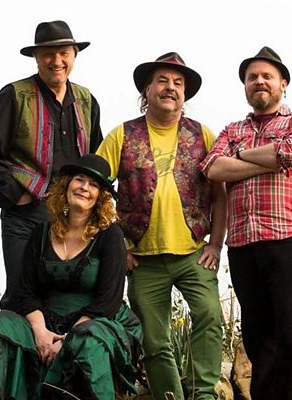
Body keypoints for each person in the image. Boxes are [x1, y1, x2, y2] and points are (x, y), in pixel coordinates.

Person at [0, 154, 142, 400]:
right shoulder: (41, 232)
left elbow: (108, 299)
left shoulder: (110, 235)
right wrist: (40, 332)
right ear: (67, 185)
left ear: (100, 197)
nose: (84, 188)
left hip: (93, 322)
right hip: (42, 321)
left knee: (88, 342)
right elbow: (26, 291)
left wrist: (68, 340)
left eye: (93, 185)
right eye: (79, 180)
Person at [96, 52, 227, 400]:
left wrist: (216, 244)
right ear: (147, 89)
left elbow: (219, 194)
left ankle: (203, 394)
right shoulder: (122, 135)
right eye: (163, 81)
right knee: (154, 340)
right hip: (142, 258)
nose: (171, 88)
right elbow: (97, 191)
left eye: (178, 83)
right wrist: (119, 248)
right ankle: (170, 396)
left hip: (194, 253)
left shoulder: (203, 135)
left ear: (185, 94)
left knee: (210, 316)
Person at [0, 20, 103, 311]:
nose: (56, 61)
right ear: (36, 57)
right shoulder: (14, 95)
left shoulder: (87, 100)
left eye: (64, 53)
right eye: (47, 54)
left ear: (74, 55)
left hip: (74, 216)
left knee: (65, 298)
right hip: (26, 215)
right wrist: (16, 196)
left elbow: (95, 158)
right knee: (22, 295)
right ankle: (10, 340)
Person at [200, 46, 292, 400]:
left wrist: (238, 157)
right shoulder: (232, 129)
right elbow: (213, 168)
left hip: (285, 239)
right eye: (252, 77)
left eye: (267, 76)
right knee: (257, 336)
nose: (259, 82)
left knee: (289, 331)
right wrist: (267, 160)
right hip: (242, 246)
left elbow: (288, 152)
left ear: (283, 83)